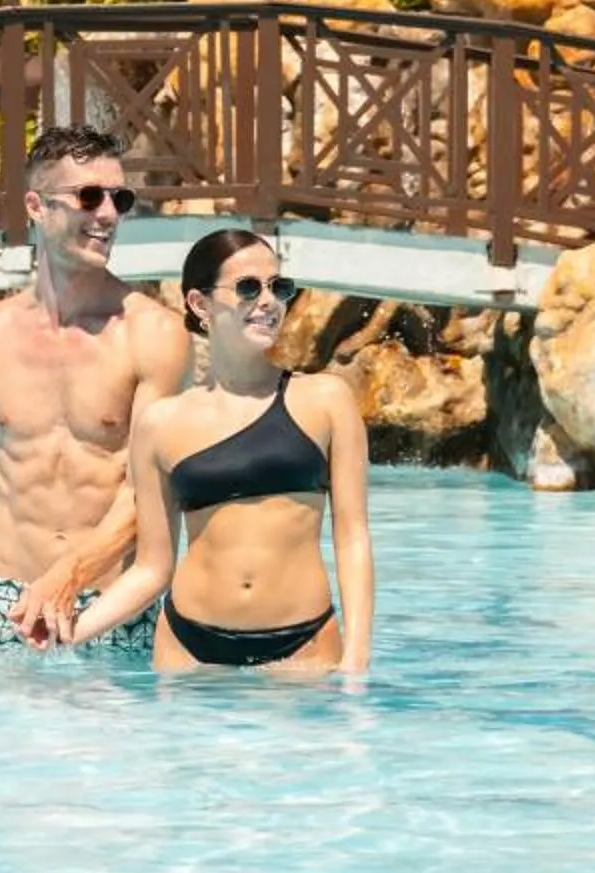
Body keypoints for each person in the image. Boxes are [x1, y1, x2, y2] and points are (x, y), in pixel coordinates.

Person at [0, 123, 194, 654]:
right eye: (89, 196)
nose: (108, 214)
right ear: (36, 206)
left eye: (120, 199)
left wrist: (69, 576)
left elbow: (150, 493)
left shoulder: (154, 335)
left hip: (111, 608)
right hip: (4, 604)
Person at [60, 229, 372, 676]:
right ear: (200, 304)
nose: (269, 301)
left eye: (279, 287)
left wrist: (357, 658)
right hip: (187, 646)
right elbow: (151, 569)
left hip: (302, 645)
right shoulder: (160, 424)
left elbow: (352, 537)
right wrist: (68, 633)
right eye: (248, 288)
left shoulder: (326, 400)